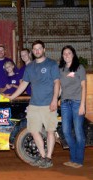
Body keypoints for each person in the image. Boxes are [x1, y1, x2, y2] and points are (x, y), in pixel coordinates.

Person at [7, 40, 60, 168]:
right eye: (35, 49)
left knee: (50, 131)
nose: (37, 51)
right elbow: (24, 84)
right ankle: (42, 156)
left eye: (39, 48)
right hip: (34, 105)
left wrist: (55, 100)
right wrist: (11, 97)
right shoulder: (29, 67)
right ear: (32, 52)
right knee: (34, 131)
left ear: (44, 49)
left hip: (48, 104)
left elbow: (57, 83)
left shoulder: (51, 64)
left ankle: (48, 158)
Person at [59, 45, 86, 168]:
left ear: (73, 54)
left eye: (69, 53)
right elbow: (59, 87)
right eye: (64, 53)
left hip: (76, 103)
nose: (66, 55)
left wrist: (82, 105)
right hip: (65, 103)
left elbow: (84, 87)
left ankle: (78, 160)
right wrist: (55, 99)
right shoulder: (61, 69)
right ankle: (73, 158)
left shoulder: (79, 68)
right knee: (65, 131)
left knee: (78, 132)